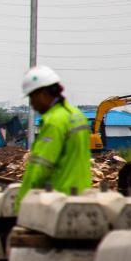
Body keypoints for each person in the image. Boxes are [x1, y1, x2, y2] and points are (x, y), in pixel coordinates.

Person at [15, 66, 92, 212]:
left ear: (43, 94)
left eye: (32, 97)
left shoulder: (54, 122)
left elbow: (40, 167)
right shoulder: (78, 116)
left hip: (58, 200)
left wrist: (21, 205)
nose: (32, 104)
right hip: (83, 196)